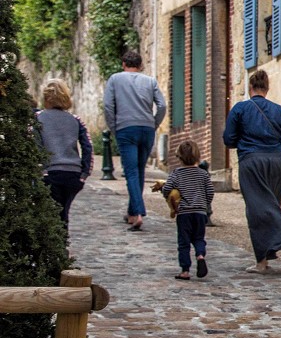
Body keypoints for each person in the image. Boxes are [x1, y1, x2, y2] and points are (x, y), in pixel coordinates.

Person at [223, 69, 281, 273]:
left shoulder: (240, 109)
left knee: (257, 211)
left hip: (252, 163)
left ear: (250, 87)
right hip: (278, 164)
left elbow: (228, 139)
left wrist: (243, 141)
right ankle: (268, 253)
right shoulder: (278, 110)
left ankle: (264, 258)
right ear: (267, 89)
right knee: (269, 205)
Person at [102, 49, 167, 231]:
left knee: (131, 171)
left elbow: (108, 106)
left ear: (123, 64)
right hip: (146, 128)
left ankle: (138, 214)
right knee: (139, 170)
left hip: (126, 128)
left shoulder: (115, 79)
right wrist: (154, 123)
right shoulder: (150, 81)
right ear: (140, 66)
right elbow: (162, 105)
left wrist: (114, 127)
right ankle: (132, 212)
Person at [35, 79, 93, 228]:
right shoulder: (75, 120)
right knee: (63, 213)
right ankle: (61, 245)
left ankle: (56, 247)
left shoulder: (38, 118)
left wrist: (41, 170)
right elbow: (88, 147)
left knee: (51, 215)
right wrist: (84, 173)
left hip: (49, 172)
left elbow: (35, 145)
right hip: (73, 174)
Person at [162, 140, 213, 280]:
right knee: (199, 238)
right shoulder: (203, 174)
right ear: (198, 157)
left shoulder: (176, 173)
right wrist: (205, 204)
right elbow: (210, 192)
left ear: (179, 157)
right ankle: (200, 255)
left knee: (184, 242)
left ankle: (185, 270)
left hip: (184, 213)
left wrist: (169, 197)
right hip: (200, 212)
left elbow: (167, 189)